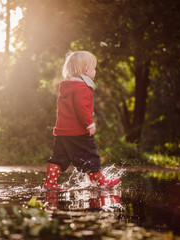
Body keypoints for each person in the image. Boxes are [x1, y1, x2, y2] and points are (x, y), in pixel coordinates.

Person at [43, 51, 121, 190]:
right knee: (90, 156)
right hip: (78, 131)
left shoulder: (66, 86)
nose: (95, 71)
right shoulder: (82, 88)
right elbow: (81, 108)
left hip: (62, 131)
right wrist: (89, 124)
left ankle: (50, 183)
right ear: (86, 70)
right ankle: (98, 182)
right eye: (94, 68)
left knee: (59, 157)